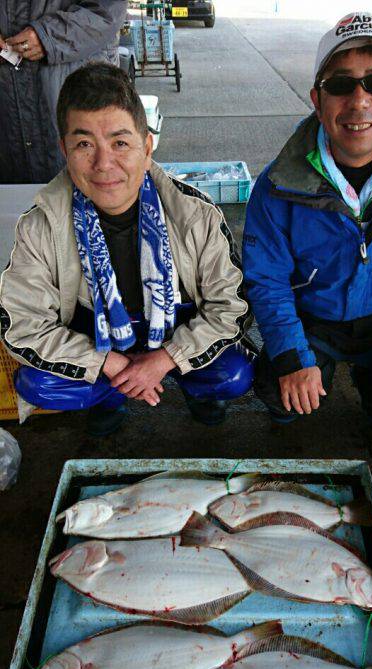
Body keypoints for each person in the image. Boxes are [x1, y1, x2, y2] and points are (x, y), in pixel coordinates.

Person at [0, 63, 254, 436]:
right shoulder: (41, 225)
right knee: (37, 384)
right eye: (84, 144)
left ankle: (196, 389)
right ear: (64, 150)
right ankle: (111, 394)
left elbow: (231, 308)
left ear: (147, 147)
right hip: (96, 339)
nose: (104, 164)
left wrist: (166, 359)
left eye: (120, 143)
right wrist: (109, 362)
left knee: (232, 373)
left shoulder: (195, 215)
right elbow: (23, 325)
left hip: (174, 330)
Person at [243, 11, 372, 437]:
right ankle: (303, 373)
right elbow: (267, 280)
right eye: (340, 85)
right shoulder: (275, 185)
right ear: (317, 101)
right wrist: (291, 357)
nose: (359, 102)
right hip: (312, 319)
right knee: (267, 381)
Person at [0, 1, 128, 183]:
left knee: (92, 180)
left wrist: (49, 37)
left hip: (76, 87)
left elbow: (107, 11)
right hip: (8, 102)